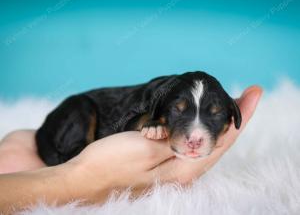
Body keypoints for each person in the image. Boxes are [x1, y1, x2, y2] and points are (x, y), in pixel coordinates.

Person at [0, 86, 262, 214]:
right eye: (178, 113)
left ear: (232, 116)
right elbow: (136, 116)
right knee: (81, 114)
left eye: (214, 118)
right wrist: (77, 178)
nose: (195, 135)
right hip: (77, 113)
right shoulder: (158, 99)